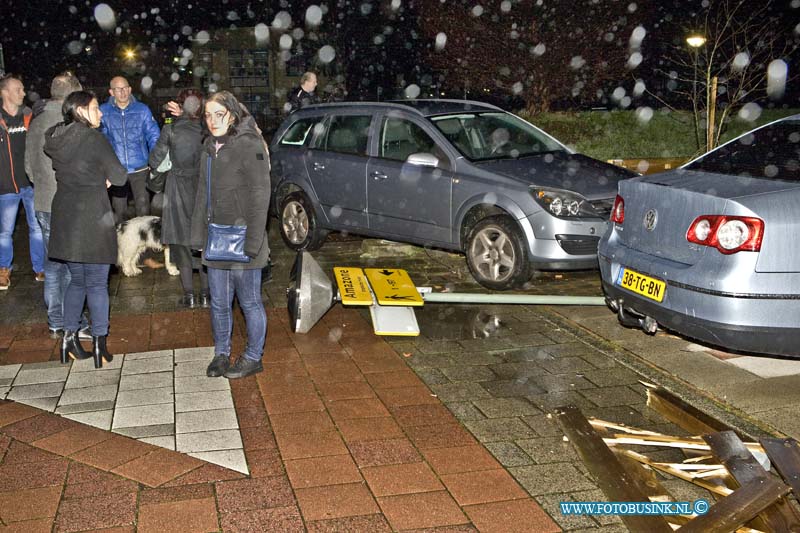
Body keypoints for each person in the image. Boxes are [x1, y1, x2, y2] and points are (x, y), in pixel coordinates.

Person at [191, 91, 270, 380]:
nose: (212, 120)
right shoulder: (209, 148)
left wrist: (253, 241)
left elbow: (262, 195)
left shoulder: (250, 145)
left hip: (245, 237)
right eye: (208, 115)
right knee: (220, 302)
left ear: (232, 115)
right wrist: (197, 237)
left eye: (218, 114)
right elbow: (202, 194)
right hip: (217, 238)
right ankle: (221, 354)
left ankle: (253, 356)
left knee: (249, 302)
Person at [45, 91, 127, 368]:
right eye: (95, 108)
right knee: (96, 283)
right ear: (81, 110)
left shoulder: (55, 138)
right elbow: (119, 175)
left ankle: (69, 340)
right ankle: (99, 344)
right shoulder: (93, 138)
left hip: (66, 215)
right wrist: (102, 177)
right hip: (93, 216)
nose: (101, 113)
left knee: (77, 281)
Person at [25, 72, 87, 337]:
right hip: (66, 204)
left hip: (42, 201)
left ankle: (56, 321)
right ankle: (72, 321)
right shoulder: (67, 123)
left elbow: (28, 167)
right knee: (73, 266)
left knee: (53, 265)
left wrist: (43, 184)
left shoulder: (36, 121)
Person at [148, 89, 209, 308]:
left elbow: (155, 159)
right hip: (201, 187)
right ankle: (206, 295)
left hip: (176, 188)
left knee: (181, 242)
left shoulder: (170, 128)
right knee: (202, 238)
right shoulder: (207, 128)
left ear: (180, 106)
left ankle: (190, 296)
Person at [0, 74, 44, 290]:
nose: (23, 93)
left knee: (36, 228)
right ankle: (3, 270)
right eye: (18, 89)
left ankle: (40, 268)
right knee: (4, 232)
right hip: (5, 186)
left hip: (30, 183)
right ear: (4, 92)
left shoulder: (29, 116)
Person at [99, 76, 160, 224]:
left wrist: (154, 160)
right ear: (111, 92)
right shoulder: (103, 111)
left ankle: (144, 245)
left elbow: (154, 135)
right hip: (117, 170)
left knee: (143, 211)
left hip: (140, 168)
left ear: (130, 89)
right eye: (118, 89)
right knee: (119, 212)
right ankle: (122, 244)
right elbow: (100, 140)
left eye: (125, 88)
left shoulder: (142, 109)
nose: (122, 92)